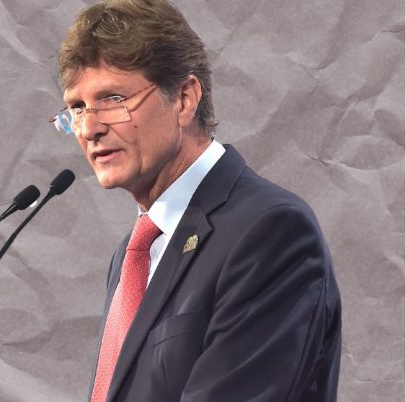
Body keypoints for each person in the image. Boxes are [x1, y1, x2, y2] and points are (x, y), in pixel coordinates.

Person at [48, 0, 342, 401]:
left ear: (184, 99)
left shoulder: (270, 231)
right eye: (77, 108)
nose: (89, 128)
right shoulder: (134, 253)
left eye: (113, 99)